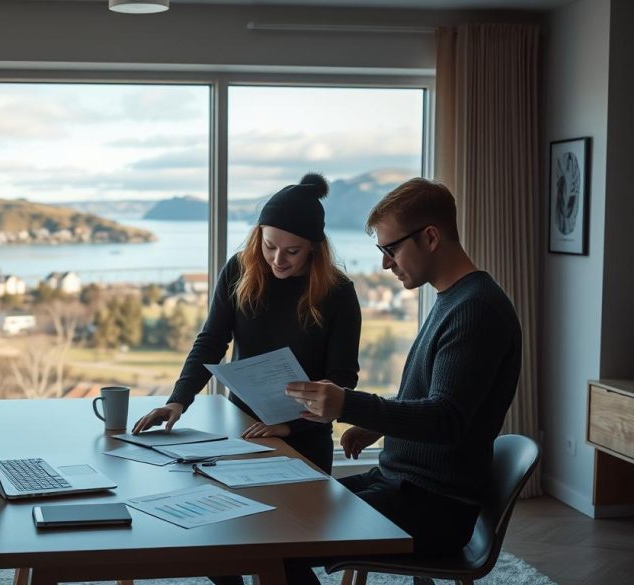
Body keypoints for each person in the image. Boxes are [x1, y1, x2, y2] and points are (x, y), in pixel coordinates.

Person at [284, 177, 522, 583]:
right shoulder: (455, 298)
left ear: (430, 237)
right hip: (404, 484)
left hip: (435, 507)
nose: (384, 263)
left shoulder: (476, 310)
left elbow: (446, 418)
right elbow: (439, 395)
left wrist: (347, 404)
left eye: (390, 249)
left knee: (282, 543)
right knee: (287, 513)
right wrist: (375, 424)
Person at [131, 173, 362, 475]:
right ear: (258, 236)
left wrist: (290, 427)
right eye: (270, 246)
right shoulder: (239, 270)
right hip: (242, 427)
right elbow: (211, 342)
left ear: (313, 247)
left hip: (305, 438)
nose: (278, 259)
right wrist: (177, 402)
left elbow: (342, 378)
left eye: (292, 251)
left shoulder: (338, 291)